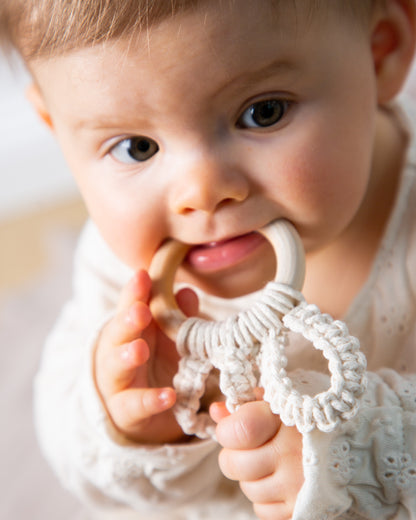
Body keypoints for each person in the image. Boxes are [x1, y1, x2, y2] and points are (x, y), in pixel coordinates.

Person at [2, 0, 416, 518]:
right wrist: (131, 424)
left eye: (262, 112)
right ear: (54, 127)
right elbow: (76, 453)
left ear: (381, 52)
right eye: (136, 148)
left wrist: (363, 457)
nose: (200, 192)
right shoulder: (128, 276)